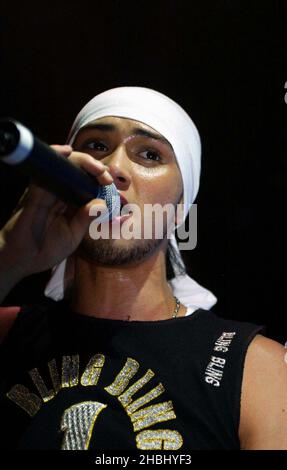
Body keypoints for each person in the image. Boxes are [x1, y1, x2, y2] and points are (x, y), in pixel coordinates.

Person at [0, 87, 286, 451]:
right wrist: (9, 257)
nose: (114, 168)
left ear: (181, 207)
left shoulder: (257, 371)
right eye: (97, 146)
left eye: (149, 154)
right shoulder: (8, 333)